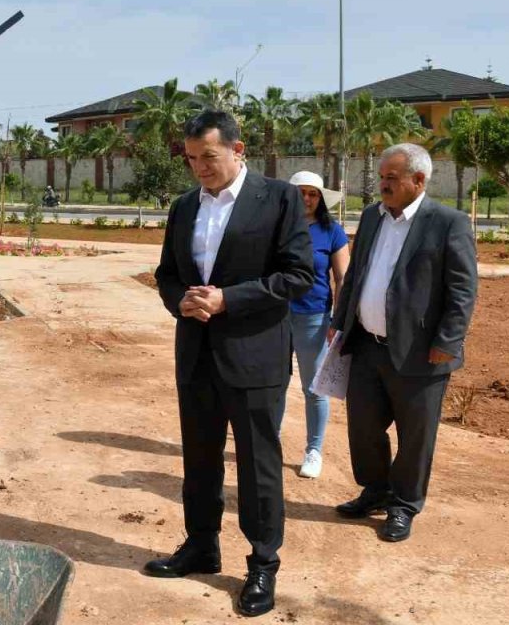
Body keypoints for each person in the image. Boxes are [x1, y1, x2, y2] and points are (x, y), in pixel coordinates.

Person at [149, 111, 314, 618]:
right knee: (199, 458)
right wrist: (181, 300)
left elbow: (298, 275)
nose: (199, 168)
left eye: (209, 158)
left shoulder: (279, 198)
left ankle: (263, 562)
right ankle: (201, 544)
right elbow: (166, 273)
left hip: (254, 354)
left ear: (238, 150)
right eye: (192, 158)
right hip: (196, 354)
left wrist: (227, 300)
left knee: (258, 466)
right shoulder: (183, 206)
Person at [330, 143, 477, 542]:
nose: (383, 184)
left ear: (419, 180)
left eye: (391, 178)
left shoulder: (448, 222)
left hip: (422, 352)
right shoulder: (372, 217)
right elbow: (357, 275)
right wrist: (339, 322)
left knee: (415, 435)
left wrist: (448, 340)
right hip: (366, 346)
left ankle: (405, 504)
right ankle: (375, 490)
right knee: (363, 428)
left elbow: (462, 290)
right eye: (381, 177)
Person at [283, 171, 350, 479]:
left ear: (320, 198)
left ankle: (313, 450)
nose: (306, 199)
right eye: (301, 192)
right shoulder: (277, 227)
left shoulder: (331, 231)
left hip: (313, 317)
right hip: (275, 316)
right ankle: (268, 440)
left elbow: (342, 278)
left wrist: (339, 318)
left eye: (312, 193)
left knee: (313, 388)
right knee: (273, 383)